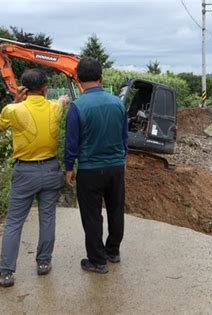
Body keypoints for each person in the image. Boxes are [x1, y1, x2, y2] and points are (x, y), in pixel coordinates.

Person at [0, 69, 70, 287]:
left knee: (14, 222)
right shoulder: (55, 107)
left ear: (23, 88)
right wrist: (64, 98)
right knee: (48, 218)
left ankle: (5, 273)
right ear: (45, 87)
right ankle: (44, 263)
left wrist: (14, 101)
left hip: (25, 172)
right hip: (52, 169)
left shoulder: (13, 110)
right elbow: (62, 102)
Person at [65, 57, 128, 274]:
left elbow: (71, 142)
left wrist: (68, 168)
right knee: (116, 209)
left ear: (79, 80)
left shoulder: (76, 107)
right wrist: (121, 159)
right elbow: (124, 137)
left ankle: (97, 260)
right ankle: (113, 251)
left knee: (92, 215)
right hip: (116, 167)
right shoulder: (118, 103)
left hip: (90, 170)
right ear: (101, 78)